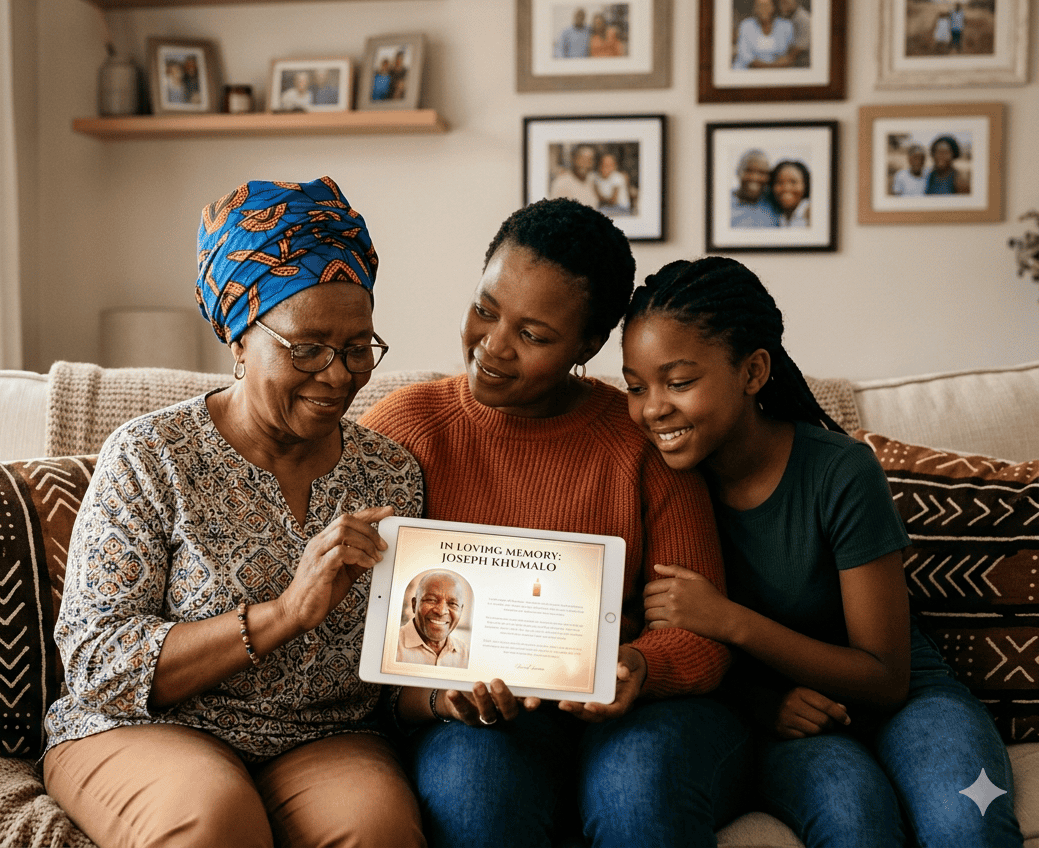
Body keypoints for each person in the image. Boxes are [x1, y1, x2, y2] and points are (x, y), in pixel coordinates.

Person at [42, 177, 427, 848]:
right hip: (148, 728)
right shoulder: (149, 456)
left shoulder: (388, 471)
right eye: (307, 348)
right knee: (214, 818)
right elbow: (98, 662)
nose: (338, 376)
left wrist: (456, 685)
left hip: (323, 737)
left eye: (358, 346)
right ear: (240, 340)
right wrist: (284, 615)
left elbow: (400, 670)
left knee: (378, 829)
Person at [360, 198, 747, 848]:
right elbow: (351, 632)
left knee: (636, 792)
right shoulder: (404, 429)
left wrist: (636, 668)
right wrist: (435, 698)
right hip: (479, 719)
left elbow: (701, 635)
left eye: (534, 335)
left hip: (631, 716)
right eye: (486, 308)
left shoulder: (639, 441)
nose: (493, 345)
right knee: (473, 792)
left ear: (588, 346)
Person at [623, 256, 1023, 848]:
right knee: (853, 818)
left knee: (970, 825)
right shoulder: (659, 482)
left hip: (908, 700)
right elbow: (676, 653)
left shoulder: (839, 471)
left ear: (753, 371)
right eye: (635, 386)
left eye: (678, 382)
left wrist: (730, 620)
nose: (652, 408)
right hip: (785, 719)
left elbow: (887, 678)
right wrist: (764, 707)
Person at [396, 570, 470, 668]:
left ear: (461, 610)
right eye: (431, 600)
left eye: (453, 604)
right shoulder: (390, 646)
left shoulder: (466, 654)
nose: (441, 611)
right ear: (414, 605)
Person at [733, 0, 796, 69]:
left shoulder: (786, 26)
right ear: (755, 9)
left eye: (766, 6)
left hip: (777, 72)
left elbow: (788, 56)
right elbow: (745, 57)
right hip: (748, 71)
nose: (763, 9)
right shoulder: (746, 25)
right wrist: (772, 66)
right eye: (759, 6)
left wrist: (775, 66)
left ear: (773, 7)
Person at [731, 149, 780, 228]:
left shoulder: (775, 202)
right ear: (738, 172)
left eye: (762, 172)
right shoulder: (722, 203)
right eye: (748, 170)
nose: (754, 178)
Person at [770, 159, 810, 227]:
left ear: (805, 185)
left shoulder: (810, 213)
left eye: (793, 182)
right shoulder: (780, 217)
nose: (786, 188)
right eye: (779, 182)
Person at [776, 0, 811, 66]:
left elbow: (794, 53)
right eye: (781, 3)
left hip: (803, 62)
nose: (781, 6)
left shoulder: (803, 19)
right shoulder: (792, 17)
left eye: (785, 2)